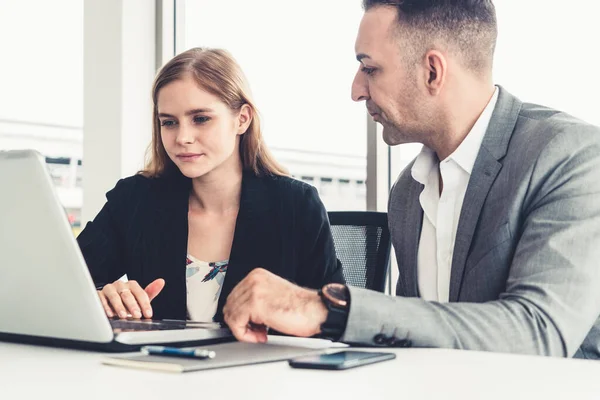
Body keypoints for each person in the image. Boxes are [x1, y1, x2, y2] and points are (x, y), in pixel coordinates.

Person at [223, 0, 600, 358]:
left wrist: (329, 309)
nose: (356, 90)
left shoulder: (571, 155)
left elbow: (539, 333)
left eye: (370, 69)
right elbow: (416, 334)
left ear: (432, 71)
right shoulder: (408, 191)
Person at [77, 47, 344, 323]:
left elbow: (333, 319)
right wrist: (100, 297)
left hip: (261, 364)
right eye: (169, 122)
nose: (183, 137)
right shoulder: (134, 200)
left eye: (200, 119)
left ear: (242, 119)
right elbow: (63, 287)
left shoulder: (297, 206)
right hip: (160, 364)